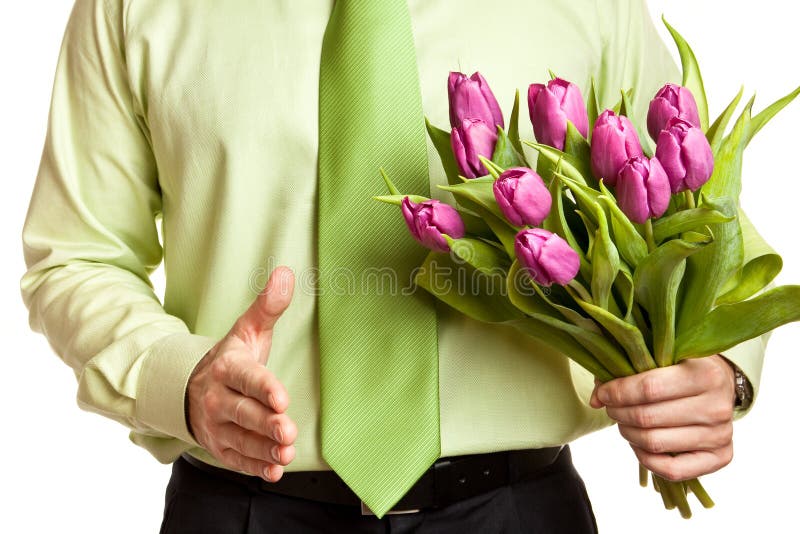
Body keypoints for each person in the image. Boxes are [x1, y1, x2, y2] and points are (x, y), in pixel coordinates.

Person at [21, 0, 766, 532]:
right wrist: (184, 383)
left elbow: (698, 218)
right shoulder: (133, 6)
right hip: (242, 508)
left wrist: (717, 372)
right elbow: (75, 254)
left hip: (516, 514)